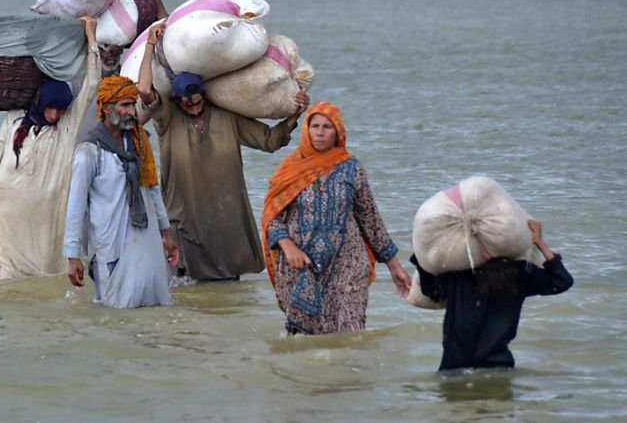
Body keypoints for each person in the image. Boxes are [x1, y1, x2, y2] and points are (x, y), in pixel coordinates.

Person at [137, 23, 310, 281]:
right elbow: (143, 90)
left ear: (205, 96)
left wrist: (295, 112)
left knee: (228, 281)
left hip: (225, 216)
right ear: (177, 101)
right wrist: (150, 45)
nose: (193, 108)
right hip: (183, 216)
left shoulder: (227, 117)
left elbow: (270, 140)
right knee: (183, 282)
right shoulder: (167, 118)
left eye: (197, 102)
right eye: (186, 104)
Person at [261, 101, 412, 335]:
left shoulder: (351, 167)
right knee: (305, 342)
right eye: (315, 126)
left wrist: (395, 267)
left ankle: (354, 370)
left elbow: (370, 219)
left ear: (338, 133)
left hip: (348, 264)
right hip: (301, 265)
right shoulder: (290, 169)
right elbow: (272, 218)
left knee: (351, 332)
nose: (320, 132)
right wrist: (288, 247)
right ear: (307, 130)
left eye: (327, 127)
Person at [0, 17, 100, 280]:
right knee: (6, 277)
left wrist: (91, 38)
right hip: (6, 209)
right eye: (51, 108)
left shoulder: (66, 126)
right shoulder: (15, 119)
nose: (55, 114)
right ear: (40, 103)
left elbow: (93, 84)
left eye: (61, 109)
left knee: (46, 272)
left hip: (45, 213)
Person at [63, 75, 180, 308]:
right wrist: (72, 255)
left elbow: (152, 190)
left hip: (146, 240)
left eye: (133, 105)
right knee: (115, 312)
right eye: (124, 105)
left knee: (153, 304)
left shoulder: (140, 143)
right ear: (106, 108)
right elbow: (76, 206)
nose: (132, 112)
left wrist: (167, 234)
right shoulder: (89, 151)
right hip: (110, 245)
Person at [411, 220, 573, 371]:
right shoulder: (519, 272)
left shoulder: (459, 273)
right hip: (499, 367)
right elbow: (561, 281)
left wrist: (422, 253)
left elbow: (432, 292)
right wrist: (540, 243)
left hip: (455, 368)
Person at [99, 0, 168, 78]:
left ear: (122, 48)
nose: (110, 53)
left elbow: (166, 30)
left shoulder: (130, 76)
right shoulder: (79, 80)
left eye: (114, 49)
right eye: (104, 47)